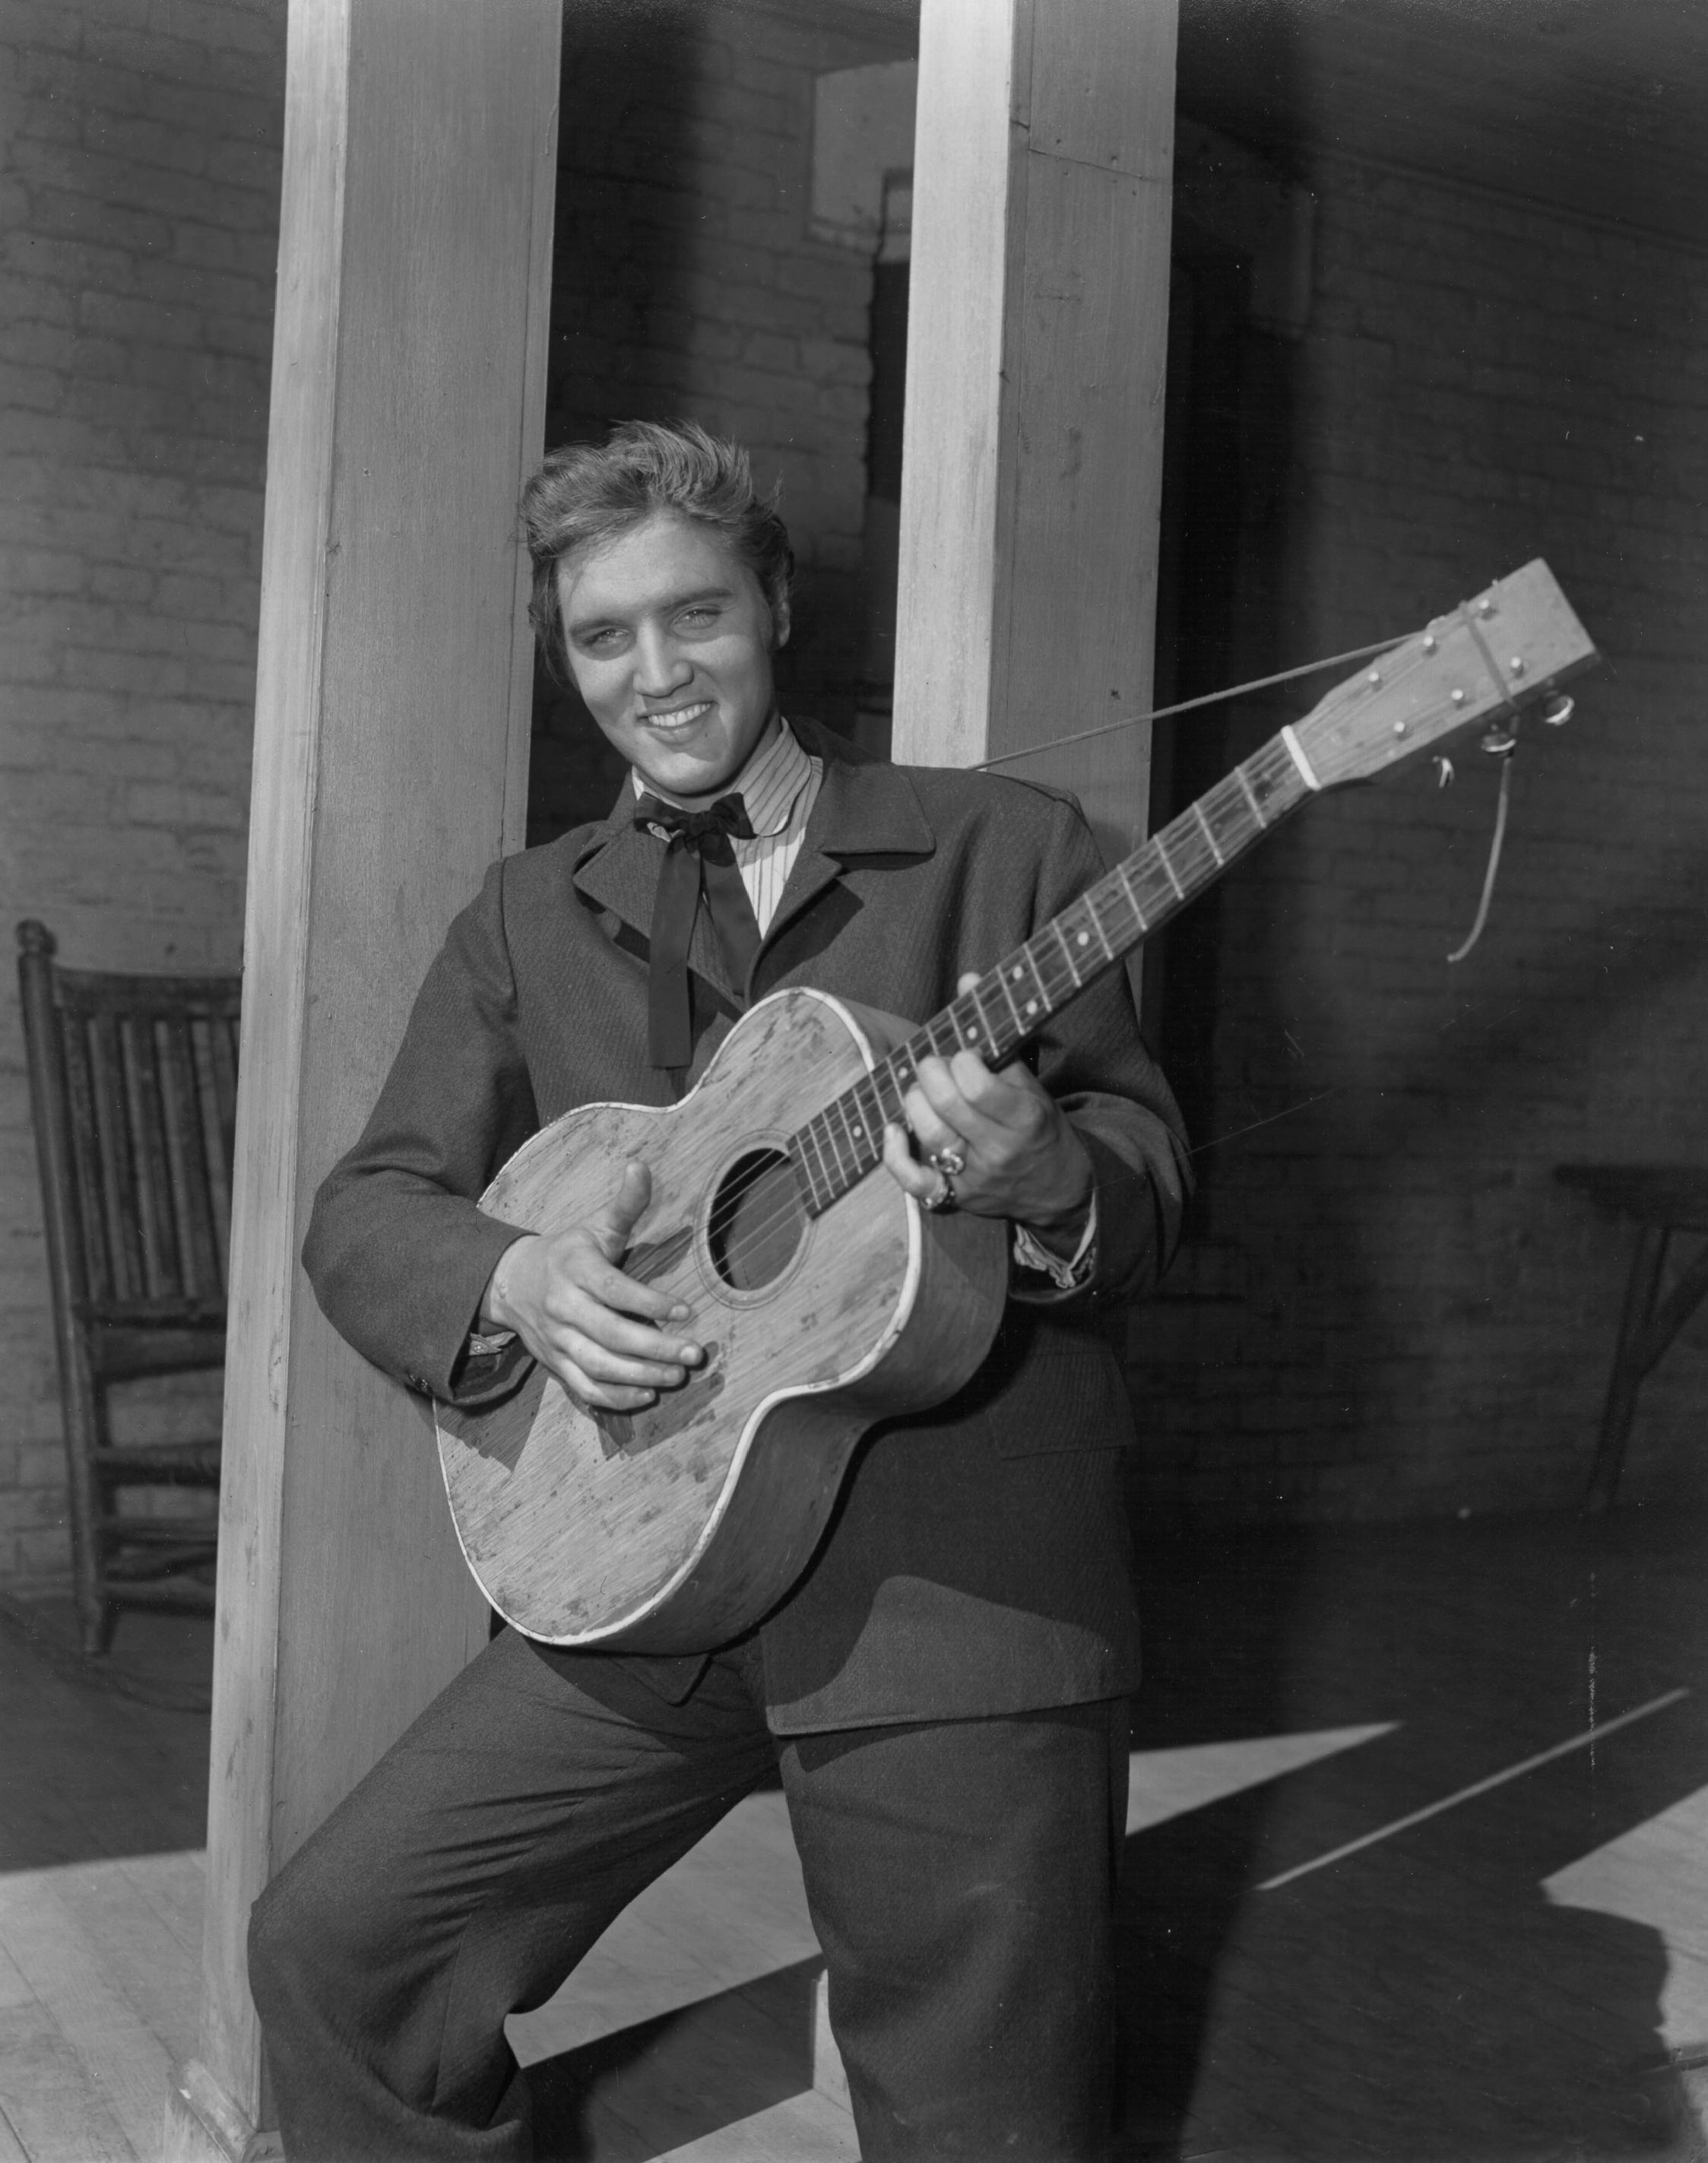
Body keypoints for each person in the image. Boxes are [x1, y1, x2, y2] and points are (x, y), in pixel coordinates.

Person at [248, 419, 1190, 2161]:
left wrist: (1045, 1172)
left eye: (694, 614)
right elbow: (367, 1210)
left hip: (949, 1589)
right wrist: (514, 1274)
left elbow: (1148, 1184)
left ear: (773, 607)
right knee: (340, 1951)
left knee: (977, 2126)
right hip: (642, 1575)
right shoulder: (527, 912)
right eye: (602, 635)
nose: (655, 671)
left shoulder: (1001, 847)